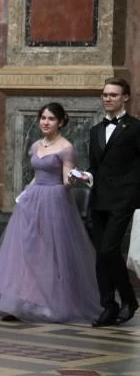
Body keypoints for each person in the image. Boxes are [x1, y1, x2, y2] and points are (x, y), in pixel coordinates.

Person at [0, 103, 100, 323]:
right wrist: (25, 194)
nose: (45, 122)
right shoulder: (36, 145)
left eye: (51, 119)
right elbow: (37, 175)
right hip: (33, 198)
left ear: (61, 122)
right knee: (26, 250)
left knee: (50, 251)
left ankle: (49, 304)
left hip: (55, 201)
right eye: (43, 118)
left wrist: (75, 177)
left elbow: (66, 181)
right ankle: (22, 301)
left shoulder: (66, 147)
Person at [69, 78, 140, 327]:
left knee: (109, 249)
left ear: (125, 98)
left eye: (113, 95)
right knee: (101, 255)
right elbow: (95, 167)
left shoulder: (135, 128)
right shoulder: (96, 130)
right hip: (99, 200)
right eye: (105, 94)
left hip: (124, 199)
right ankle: (108, 306)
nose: (107, 98)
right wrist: (84, 176)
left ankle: (129, 299)